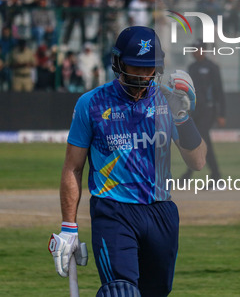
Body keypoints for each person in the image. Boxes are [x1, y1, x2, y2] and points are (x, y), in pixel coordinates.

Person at [48, 26, 206, 296]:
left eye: (150, 68)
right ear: (119, 63)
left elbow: (198, 161)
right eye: (136, 67)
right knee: (120, 291)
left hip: (161, 213)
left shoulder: (168, 100)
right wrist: (68, 228)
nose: (144, 75)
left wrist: (182, 116)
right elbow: (73, 167)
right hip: (113, 211)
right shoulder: (92, 104)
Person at [179, 42, 225, 181]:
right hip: (195, 110)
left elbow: (219, 91)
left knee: (203, 140)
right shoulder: (192, 68)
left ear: (203, 50)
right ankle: (191, 174)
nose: (195, 52)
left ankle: (216, 176)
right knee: (195, 141)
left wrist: (222, 114)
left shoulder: (212, 67)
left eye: (198, 49)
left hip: (209, 110)